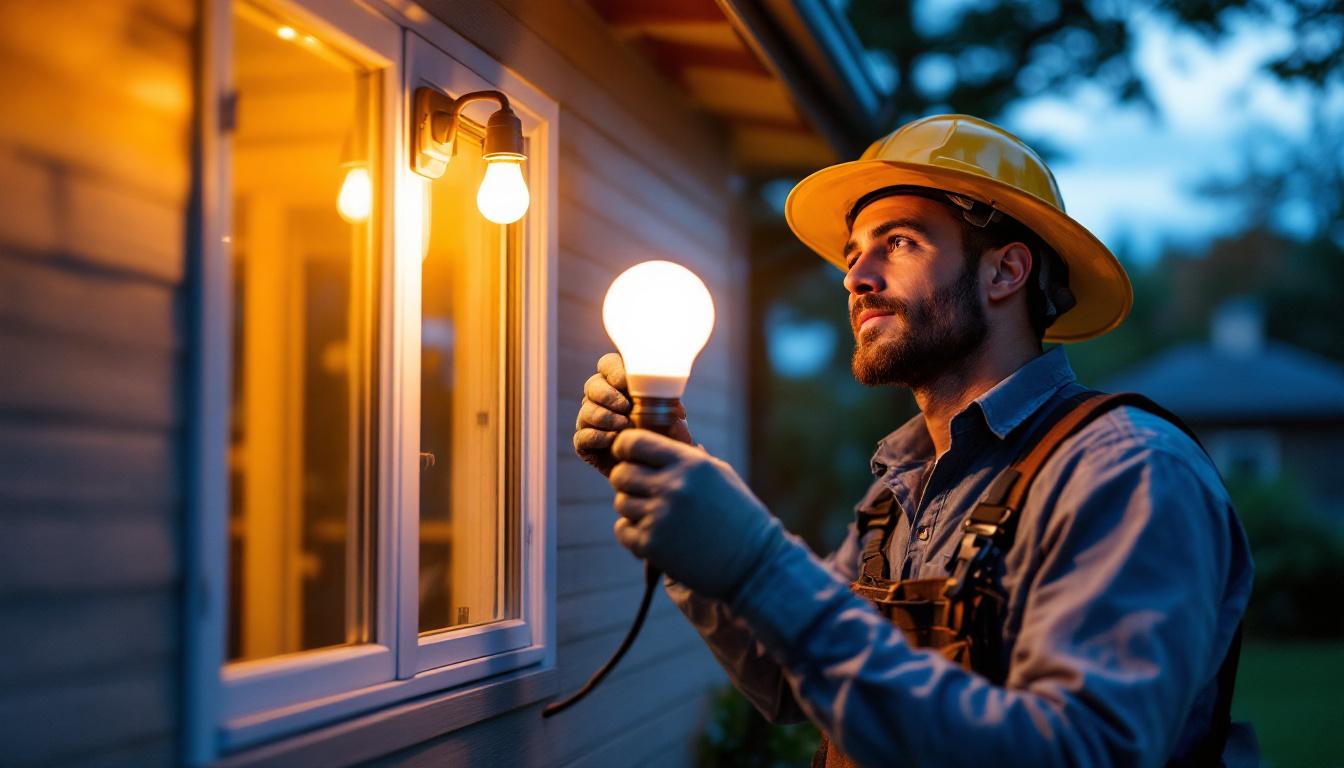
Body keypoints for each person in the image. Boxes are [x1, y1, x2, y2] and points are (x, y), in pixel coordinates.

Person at [573, 114, 1254, 767]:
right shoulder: (898, 492)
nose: (855, 277)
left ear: (1005, 272)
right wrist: (676, 482)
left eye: (898, 243)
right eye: (853, 254)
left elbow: (1081, 752)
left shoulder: (1125, 471)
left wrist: (756, 563)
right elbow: (786, 680)